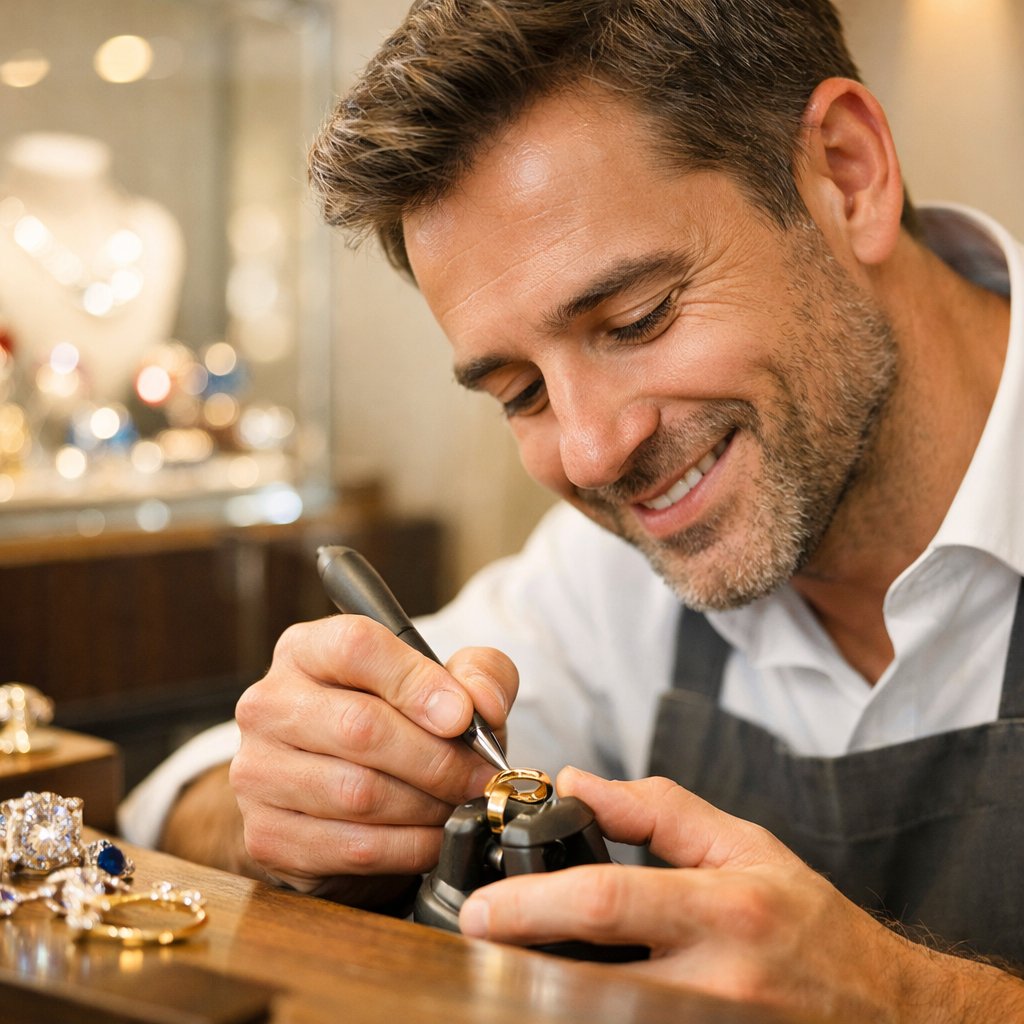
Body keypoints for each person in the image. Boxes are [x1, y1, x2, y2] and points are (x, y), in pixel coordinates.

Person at [119, 1, 1024, 1018]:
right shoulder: (613, 578)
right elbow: (181, 800)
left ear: (845, 175)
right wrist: (290, 804)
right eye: (521, 393)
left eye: (636, 320)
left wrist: (919, 1000)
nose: (595, 452)